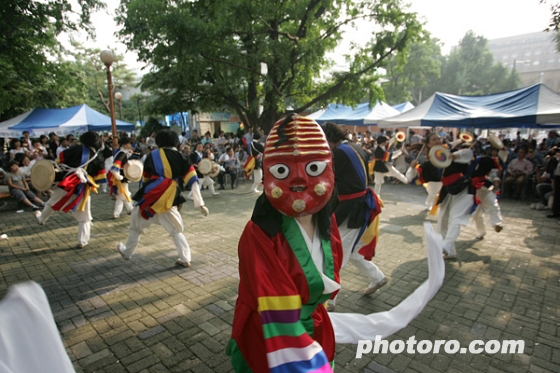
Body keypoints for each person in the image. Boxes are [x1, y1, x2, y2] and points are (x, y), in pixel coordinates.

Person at [226, 114, 343, 372]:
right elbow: (271, 298)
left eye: (313, 167)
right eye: (282, 170)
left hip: (316, 327)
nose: (299, 180)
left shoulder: (328, 221)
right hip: (272, 333)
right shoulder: (258, 233)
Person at [117, 130, 209, 267]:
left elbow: (146, 179)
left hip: (151, 196)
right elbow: (193, 180)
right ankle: (185, 258)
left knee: (136, 223)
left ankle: (128, 252)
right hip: (168, 197)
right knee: (176, 229)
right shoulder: (183, 157)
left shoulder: (152, 155)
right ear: (175, 142)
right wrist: (200, 203)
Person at [322, 122, 385, 310]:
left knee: (337, 254)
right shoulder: (354, 146)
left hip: (351, 207)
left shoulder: (339, 152)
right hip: (359, 205)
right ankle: (378, 278)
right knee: (353, 251)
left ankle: (329, 300)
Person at [34, 132, 107, 248]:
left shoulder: (76, 149)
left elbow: (60, 159)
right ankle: (82, 241)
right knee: (84, 216)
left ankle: (41, 219)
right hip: (83, 187)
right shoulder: (98, 157)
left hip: (67, 182)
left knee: (53, 202)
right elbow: (100, 178)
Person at [408, 133, 474, 259]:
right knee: (442, 222)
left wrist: (455, 156)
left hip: (464, 189)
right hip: (447, 191)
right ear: (428, 144)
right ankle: (450, 252)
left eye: (438, 138)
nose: (437, 141)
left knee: (455, 219)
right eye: (434, 140)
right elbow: (409, 178)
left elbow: (469, 154)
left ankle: (447, 246)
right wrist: (412, 168)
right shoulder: (428, 164)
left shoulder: (451, 151)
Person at [108, 136, 134, 219]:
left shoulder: (121, 152)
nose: (130, 145)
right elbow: (115, 166)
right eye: (129, 143)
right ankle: (117, 212)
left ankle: (129, 209)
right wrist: (118, 175)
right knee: (122, 195)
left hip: (122, 177)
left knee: (124, 194)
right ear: (125, 144)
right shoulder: (122, 153)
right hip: (120, 177)